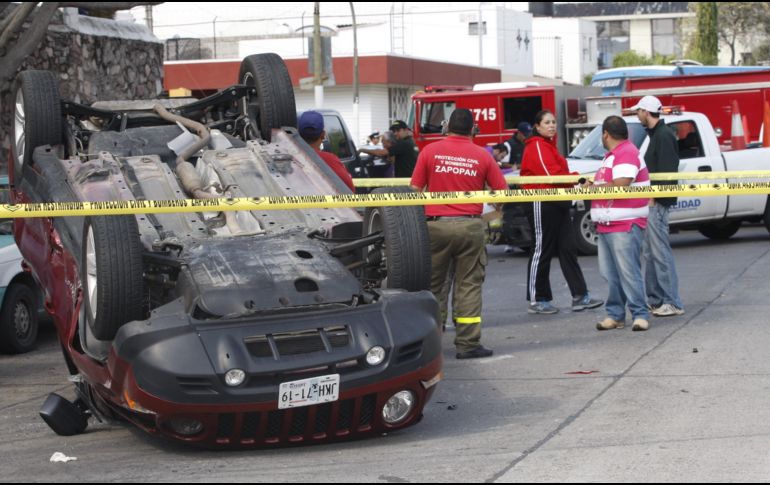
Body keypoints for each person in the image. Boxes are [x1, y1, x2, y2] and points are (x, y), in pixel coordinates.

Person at [410, 108, 508, 360]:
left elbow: (415, 190)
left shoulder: (429, 152)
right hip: (470, 227)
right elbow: (502, 192)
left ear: (446, 128)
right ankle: (468, 344)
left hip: (435, 226)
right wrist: (493, 211)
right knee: (468, 285)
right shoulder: (482, 155)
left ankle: (430, 346)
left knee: (434, 287)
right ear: (473, 129)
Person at [520, 110, 603, 315]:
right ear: (537, 127)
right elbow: (552, 175)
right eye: (547, 122)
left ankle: (580, 296)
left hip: (559, 200)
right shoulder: (537, 145)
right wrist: (578, 179)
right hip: (542, 201)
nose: (551, 125)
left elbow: (560, 175)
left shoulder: (549, 146)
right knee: (542, 249)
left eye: (554, 122)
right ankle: (538, 299)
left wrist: (577, 180)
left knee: (568, 249)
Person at [589, 116, 651, 331]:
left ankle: (640, 314)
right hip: (608, 224)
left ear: (605, 134)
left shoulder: (626, 152)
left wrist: (592, 189)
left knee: (627, 272)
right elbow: (612, 183)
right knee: (611, 274)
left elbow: (622, 184)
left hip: (625, 224)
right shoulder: (615, 155)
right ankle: (615, 314)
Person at [629, 95, 685, 317]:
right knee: (652, 253)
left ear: (646, 111)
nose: (637, 115)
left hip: (657, 203)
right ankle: (657, 299)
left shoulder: (663, 136)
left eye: (639, 111)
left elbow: (668, 171)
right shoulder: (659, 135)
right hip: (654, 201)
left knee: (659, 253)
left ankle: (672, 302)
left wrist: (654, 196)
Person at [298, 111, 355, 191]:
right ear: (323, 135)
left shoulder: (289, 157)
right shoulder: (329, 159)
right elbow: (349, 190)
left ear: (299, 134)